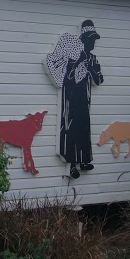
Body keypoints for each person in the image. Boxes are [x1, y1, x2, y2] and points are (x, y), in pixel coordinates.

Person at [46, 20, 104, 179]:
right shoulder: (71, 56)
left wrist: (92, 68)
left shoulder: (93, 59)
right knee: (70, 130)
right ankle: (71, 164)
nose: (93, 43)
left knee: (84, 129)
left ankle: (84, 160)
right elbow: (68, 77)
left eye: (94, 40)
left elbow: (99, 80)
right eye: (90, 39)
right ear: (83, 39)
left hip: (84, 101)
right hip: (71, 100)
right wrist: (79, 61)